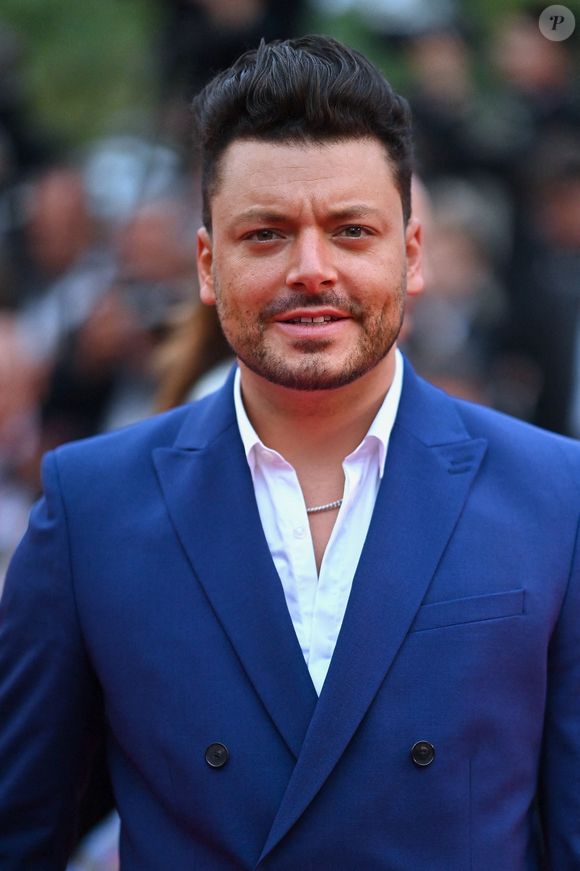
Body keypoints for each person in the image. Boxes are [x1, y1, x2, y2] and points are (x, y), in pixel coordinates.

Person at [0, 35, 579, 871]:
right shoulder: (94, 508)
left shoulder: (552, 498)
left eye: (350, 230)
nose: (312, 270)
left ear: (409, 254)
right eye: (266, 234)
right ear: (208, 263)